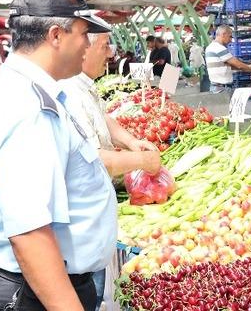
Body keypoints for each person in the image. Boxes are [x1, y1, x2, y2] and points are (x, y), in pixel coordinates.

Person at [0, 0, 115, 310]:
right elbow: (30, 234)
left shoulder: (21, 88)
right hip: (34, 295)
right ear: (56, 35)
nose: (87, 44)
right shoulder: (28, 109)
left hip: (34, 287)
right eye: (83, 33)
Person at [60, 32, 160, 311]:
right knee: (89, 292)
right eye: (105, 46)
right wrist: (142, 161)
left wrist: (131, 141)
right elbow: (95, 160)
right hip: (83, 225)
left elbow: (102, 117)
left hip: (95, 216)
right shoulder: (70, 92)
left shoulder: (83, 86)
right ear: (84, 47)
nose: (110, 54)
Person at [205, 24, 251, 94]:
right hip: (222, 89)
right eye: (230, 36)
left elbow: (228, 66)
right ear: (224, 34)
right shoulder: (219, 48)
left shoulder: (210, 47)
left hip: (216, 88)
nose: (231, 40)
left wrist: (248, 66)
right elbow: (239, 65)